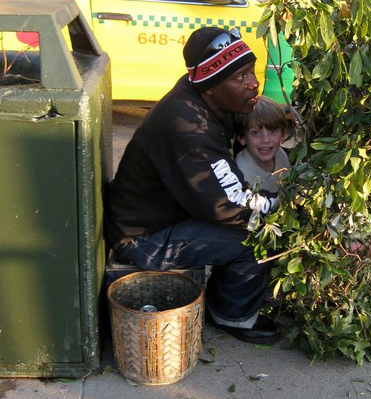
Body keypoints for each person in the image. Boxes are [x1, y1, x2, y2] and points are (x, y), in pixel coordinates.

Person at [104, 27, 280, 344]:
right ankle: (232, 315)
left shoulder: (199, 95)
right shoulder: (188, 127)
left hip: (162, 217)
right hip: (144, 240)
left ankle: (228, 295)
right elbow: (226, 204)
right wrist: (279, 205)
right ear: (211, 87)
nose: (252, 82)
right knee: (258, 236)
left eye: (250, 70)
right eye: (240, 77)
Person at [235, 95, 291, 192]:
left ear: (283, 134)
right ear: (242, 137)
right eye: (256, 133)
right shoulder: (241, 171)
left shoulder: (281, 155)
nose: (265, 140)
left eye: (273, 131)